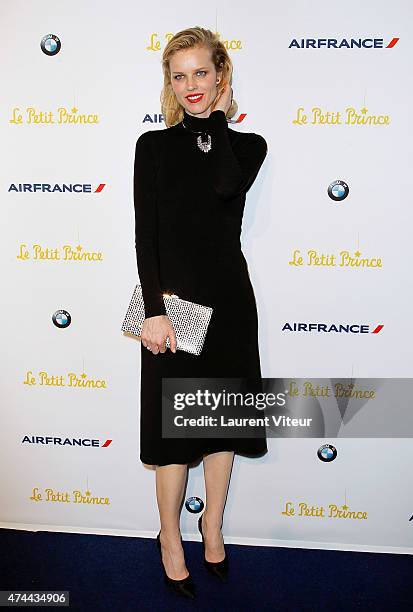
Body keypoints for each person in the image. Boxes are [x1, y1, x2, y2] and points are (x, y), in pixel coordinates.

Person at [133, 26, 268, 598]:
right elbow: (147, 238)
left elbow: (223, 189)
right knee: (173, 437)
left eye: (202, 73)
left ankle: (212, 526)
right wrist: (156, 311)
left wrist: (215, 121)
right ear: (169, 82)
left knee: (220, 427)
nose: (191, 85)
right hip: (176, 307)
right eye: (179, 75)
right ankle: (169, 537)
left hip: (229, 302)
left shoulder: (247, 146)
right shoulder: (152, 147)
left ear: (221, 78)